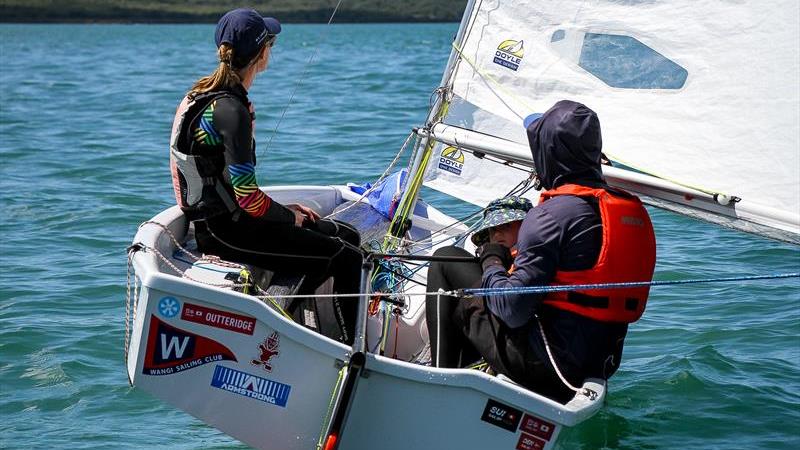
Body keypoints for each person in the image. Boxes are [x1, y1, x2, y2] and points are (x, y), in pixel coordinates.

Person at [425, 100, 656, 403]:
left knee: (446, 260)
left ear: (548, 153)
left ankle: (439, 384)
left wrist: (491, 258)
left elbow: (512, 311)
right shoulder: (630, 213)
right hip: (598, 365)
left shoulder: (551, 215)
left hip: (545, 367)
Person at [168, 8, 363, 344]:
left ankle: (292, 323)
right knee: (346, 257)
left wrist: (289, 213)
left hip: (230, 221)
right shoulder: (231, 111)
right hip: (226, 232)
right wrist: (290, 217)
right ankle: (345, 353)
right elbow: (247, 197)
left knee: (347, 234)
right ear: (261, 53)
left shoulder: (201, 95)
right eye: (271, 45)